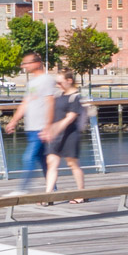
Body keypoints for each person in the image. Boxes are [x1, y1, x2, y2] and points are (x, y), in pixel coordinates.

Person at [3, 51, 60, 190]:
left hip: (41, 128)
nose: (24, 66)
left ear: (37, 63)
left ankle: (22, 190)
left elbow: (50, 102)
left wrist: (48, 126)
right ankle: (53, 190)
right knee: (43, 160)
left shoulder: (46, 80)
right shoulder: (32, 82)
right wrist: (14, 121)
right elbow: (25, 103)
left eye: (27, 63)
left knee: (28, 158)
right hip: (31, 127)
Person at [42, 69, 89, 199]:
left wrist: (54, 130)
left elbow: (70, 118)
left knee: (72, 164)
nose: (58, 85)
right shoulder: (58, 95)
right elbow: (52, 113)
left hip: (70, 135)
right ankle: (48, 196)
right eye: (56, 82)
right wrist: (48, 128)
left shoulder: (75, 98)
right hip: (56, 135)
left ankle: (81, 194)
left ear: (69, 81)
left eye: (60, 82)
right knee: (51, 162)